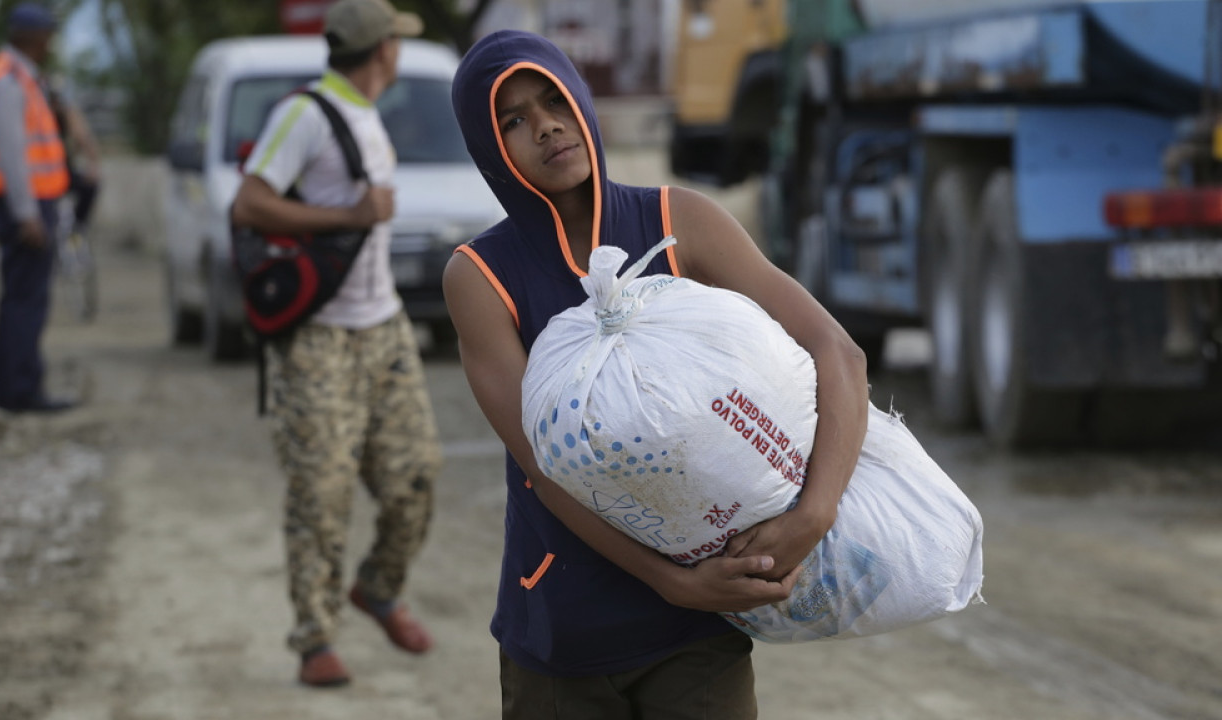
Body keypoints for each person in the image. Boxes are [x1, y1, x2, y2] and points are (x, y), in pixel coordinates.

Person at [443, 31, 870, 718]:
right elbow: (545, 470)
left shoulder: (680, 223)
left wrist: (815, 513)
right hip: (563, 635)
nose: (545, 125)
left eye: (552, 99)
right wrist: (673, 581)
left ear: (580, 100)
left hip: (699, 637)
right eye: (511, 120)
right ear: (487, 149)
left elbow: (835, 351)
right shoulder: (482, 277)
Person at [229, 0, 443, 689]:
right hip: (319, 339)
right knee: (320, 492)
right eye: (397, 43)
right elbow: (250, 202)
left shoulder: (365, 115)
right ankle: (315, 638)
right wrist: (347, 215)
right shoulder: (306, 113)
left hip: (383, 330)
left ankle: (378, 588)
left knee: (416, 476)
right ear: (384, 51)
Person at [0, 2, 74, 413]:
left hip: (30, 203)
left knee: (27, 298)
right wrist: (27, 214)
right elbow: (13, 156)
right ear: (32, 37)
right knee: (24, 300)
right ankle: (18, 391)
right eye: (47, 35)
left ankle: (20, 385)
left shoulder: (22, 78)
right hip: (24, 208)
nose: (51, 43)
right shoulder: (10, 81)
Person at [45, 74, 101, 238]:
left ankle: (78, 226)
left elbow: (84, 138)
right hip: (42, 178)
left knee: (90, 186)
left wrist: (93, 166)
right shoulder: (39, 115)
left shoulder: (68, 115)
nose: (56, 103)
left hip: (63, 173)